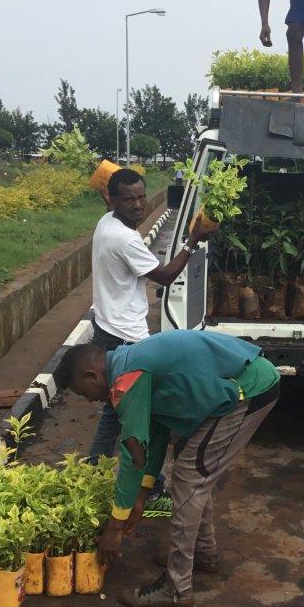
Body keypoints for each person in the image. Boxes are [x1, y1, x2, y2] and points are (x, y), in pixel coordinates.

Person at [55, 330, 281, 607]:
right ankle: (203, 553)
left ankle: (177, 587)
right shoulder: (127, 363)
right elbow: (156, 432)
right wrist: (142, 493)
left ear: (92, 375)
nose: (89, 400)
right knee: (193, 469)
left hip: (248, 390)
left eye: (83, 392)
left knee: (189, 477)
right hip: (238, 386)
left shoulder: (127, 379)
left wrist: (114, 526)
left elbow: (132, 452)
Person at [88, 167, 216, 514]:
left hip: (107, 327)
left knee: (115, 413)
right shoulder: (124, 240)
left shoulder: (106, 224)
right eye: (128, 199)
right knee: (140, 416)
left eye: (141, 196)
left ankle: (91, 473)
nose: (138, 204)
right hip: (127, 339)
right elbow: (165, 276)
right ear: (112, 200)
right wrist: (193, 240)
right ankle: (151, 486)